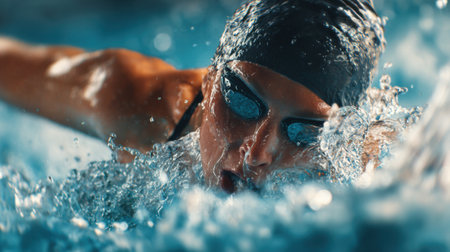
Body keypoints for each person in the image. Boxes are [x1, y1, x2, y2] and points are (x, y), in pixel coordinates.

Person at [0, 0, 384, 192]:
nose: (257, 153)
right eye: (242, 102)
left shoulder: (355, 173)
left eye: (304, 132)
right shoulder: (131, 103)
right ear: (209, 80)